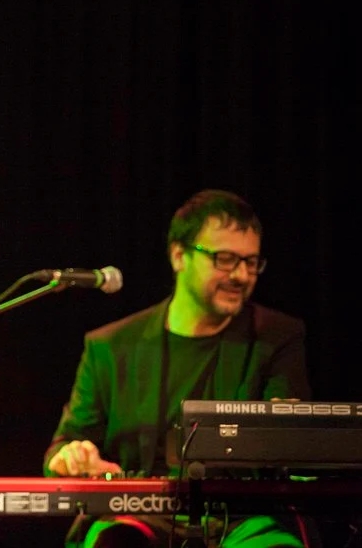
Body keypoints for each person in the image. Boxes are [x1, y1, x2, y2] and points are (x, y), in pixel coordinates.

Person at [44, 189, 312, 547]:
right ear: (178, 256)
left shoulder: (277, 337)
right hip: (137, 513)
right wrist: (73, 458)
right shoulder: (110, 346)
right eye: (225, 259)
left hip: (241, 520)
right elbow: (63, 446)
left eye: (251, 262)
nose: (241, 275)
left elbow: (287, 442)